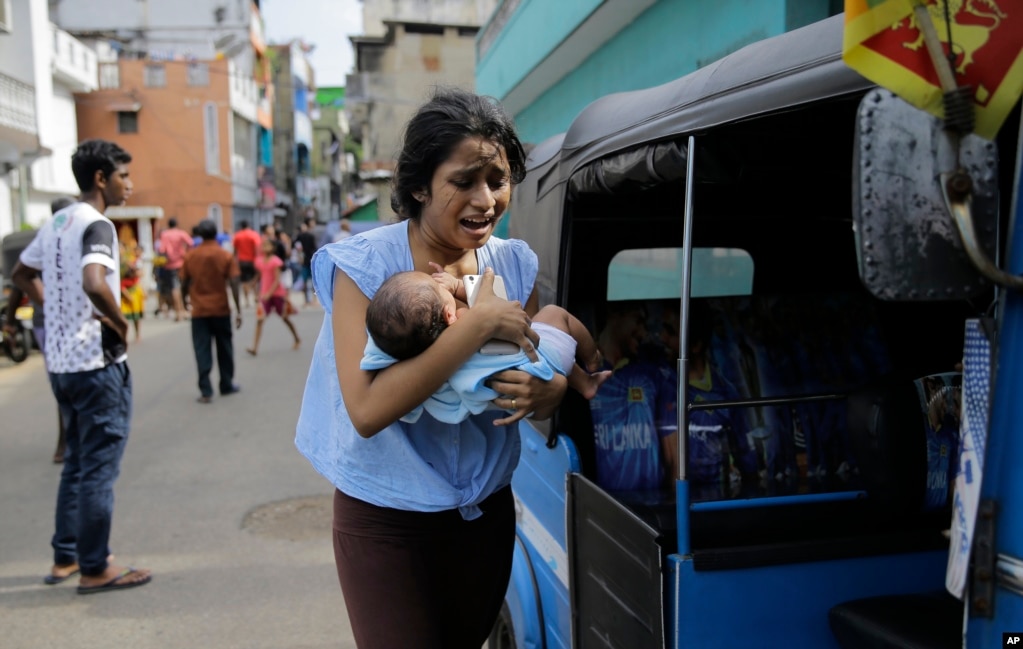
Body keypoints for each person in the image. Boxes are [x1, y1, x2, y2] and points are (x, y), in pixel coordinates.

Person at [294, 87, 568, 649]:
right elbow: (367, 410)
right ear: (419, 185)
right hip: (386, 521)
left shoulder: (513, 263)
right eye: (464, 181)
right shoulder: (367, 266)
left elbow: (538, 353)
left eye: (498, 179)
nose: (486, 199)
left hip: (485, 513)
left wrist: (553, 388)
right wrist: (475, 326)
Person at [10, 138, 152, 594]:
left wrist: (49, 306)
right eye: (123, 176)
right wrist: (118, 322)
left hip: (61, 365)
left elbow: (20, 273)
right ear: (100, 178)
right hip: (96, 363)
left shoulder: (57, 221)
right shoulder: (97, 225)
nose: (128, 185)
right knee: (97, 468)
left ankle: (66, 556)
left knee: (76, 462)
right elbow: (95, 281)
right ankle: (95, 567)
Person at [361, 269, 610, 422]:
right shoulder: (468, 322)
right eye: (439, 288)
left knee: (549, 339)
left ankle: (585, 383)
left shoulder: (422, 353)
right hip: (542, 358)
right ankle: (592, 358)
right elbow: (484, 303)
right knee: (555, 314)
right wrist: (457, 285)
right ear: (449, 315)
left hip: (523, 381)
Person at [3, 196, 75, 463]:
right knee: (65, 380)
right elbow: (20, 278)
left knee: (66, 380)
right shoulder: (53, 240)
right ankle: (65, 441)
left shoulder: (49, 239)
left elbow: (18, 281)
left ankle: (69, 440)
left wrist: (10, 322)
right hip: (51, 321)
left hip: (49, 322)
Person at [588, 302, 679, 492]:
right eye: (638, 321)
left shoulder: (653, 373)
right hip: (601, 506)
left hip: (652, 507)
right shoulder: (580, 371)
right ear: (614, 315)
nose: (644, 332)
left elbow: (673, 456)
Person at [180, 219, 243, 403]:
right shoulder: (224, 255)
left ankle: (206, 390)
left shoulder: (191, 256)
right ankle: (226, 384)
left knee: (202, 350)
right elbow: (234, 282)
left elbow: (184, 281)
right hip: (220, 308)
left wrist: (184, 300)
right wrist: (238, 309)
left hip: (199, 310)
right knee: (225, 348)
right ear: (216, 234)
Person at [246, 236, 300, 355]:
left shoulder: (275, 261)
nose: (265, 248)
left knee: (285, 318)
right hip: (264, 294)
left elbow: (276, 280)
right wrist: (253, 283)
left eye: (267, 245)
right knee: (260, 319)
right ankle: (254, 347)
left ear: (273, 248)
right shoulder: (260, 261)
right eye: (263, 245)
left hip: (276, 294)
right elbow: (260, 275)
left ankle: (297, 338)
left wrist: (269, 293)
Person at [156, 217, 193, 321]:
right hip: (182, 263)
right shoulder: (181, 233)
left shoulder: (165, 234)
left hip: (170, 264)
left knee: (174, 288)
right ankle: (182, 310)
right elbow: (190, 243)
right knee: (181, 287)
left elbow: (161, 249)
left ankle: (179, 313)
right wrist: (185, 252)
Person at [118, 224, 144, 342]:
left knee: (136, 315)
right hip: (122, 289)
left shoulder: (131, 261)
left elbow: (139, 274)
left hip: (133, 288)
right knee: (124, 316)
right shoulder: (117, 262)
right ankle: (124, 336)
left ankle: (137, 334)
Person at [232, 220, 261, 308]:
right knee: (255, 279)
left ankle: (246, 300)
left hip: (242, 261)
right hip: (253, 260)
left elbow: (235, 250)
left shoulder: (237, 235)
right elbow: (257, 248)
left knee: (244, 280)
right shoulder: (254, 234)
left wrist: (234, 259)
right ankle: (256, 297)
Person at [293, 218, 319, 306]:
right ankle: (314, 300)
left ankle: (306, 300)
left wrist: (300, 256)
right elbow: (315, 249)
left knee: (304, 281)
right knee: (314, 282)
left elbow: (296, 245)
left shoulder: (300, 235)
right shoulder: (311, 235)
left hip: (304, 260)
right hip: (312, 260)